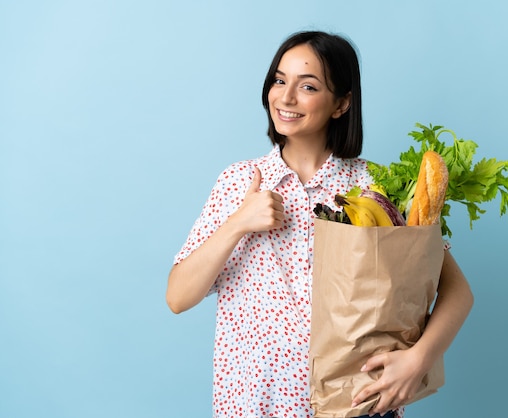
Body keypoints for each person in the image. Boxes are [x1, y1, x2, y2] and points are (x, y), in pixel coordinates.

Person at [166, 30, 474, 418]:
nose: (286, 97)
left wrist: (418, 360)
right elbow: (178, 296)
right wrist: (238, 223)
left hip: (355, 406)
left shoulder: (373, 187)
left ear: (342, 103)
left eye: (307, 86)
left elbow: (458, 291)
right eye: (280, 80)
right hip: (257, 405)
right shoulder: (239, 182)